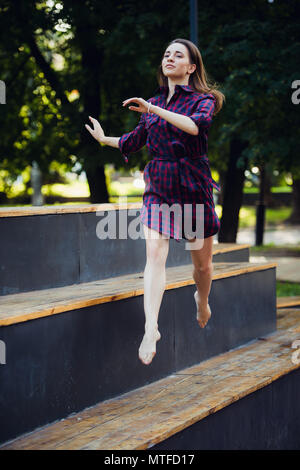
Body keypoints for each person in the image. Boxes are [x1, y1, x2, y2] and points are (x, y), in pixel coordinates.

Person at [85, 38, 225, 366]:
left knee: (202, 266)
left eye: (178, 55)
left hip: (192, 185)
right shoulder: (152, 103)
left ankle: (202, 300)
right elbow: (134, 141)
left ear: (191, 67)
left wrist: (152, 109)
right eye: (166, 54)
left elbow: (193, 127)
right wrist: (106, 139)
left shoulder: (202, 101)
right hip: (159, 184)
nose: (169, 58)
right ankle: (151, 327)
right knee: (154, 254)